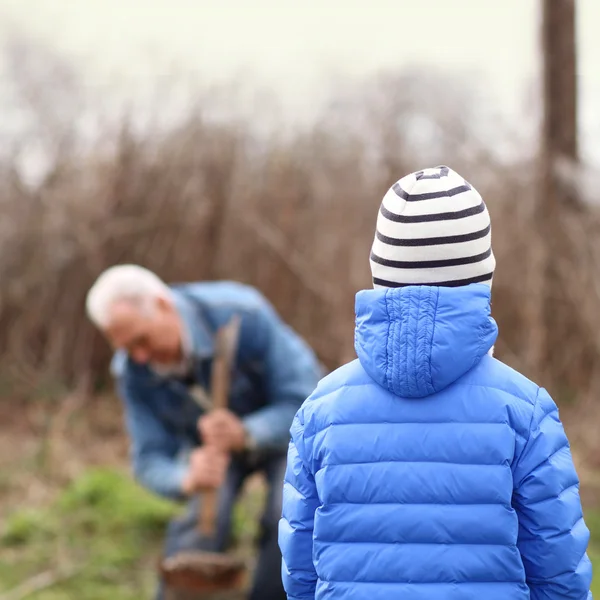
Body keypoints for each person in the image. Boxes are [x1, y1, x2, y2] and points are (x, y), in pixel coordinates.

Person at [279, 165, 593, 600]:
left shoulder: (319, 411)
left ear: (379, 273)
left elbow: (299, 571)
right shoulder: (526, 412)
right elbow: (559, 575)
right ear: (482, 277)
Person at [85, 266, 322, 600]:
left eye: (142, 340)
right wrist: (185, 478)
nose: (139, 356)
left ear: (163, 306)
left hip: (287, 437)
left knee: (288, 515)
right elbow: (148, 457)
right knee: (198, 524)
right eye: (127, 348)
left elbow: (309, 401)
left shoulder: (242, 313)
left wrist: (246, 432)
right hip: (211, 454)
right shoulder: (132, 373)